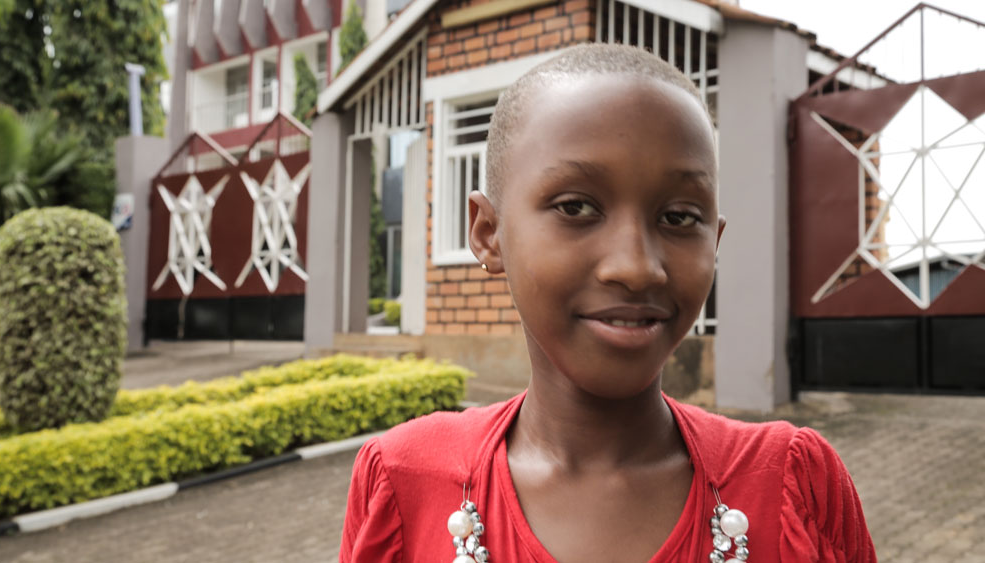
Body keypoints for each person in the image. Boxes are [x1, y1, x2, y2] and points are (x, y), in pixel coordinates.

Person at [340, 43, 876, 563]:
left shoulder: (791, 486)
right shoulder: (406, 482)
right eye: (576, 206)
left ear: (714, 240)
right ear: (488, 232)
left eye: (679, 217)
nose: (636, 266)